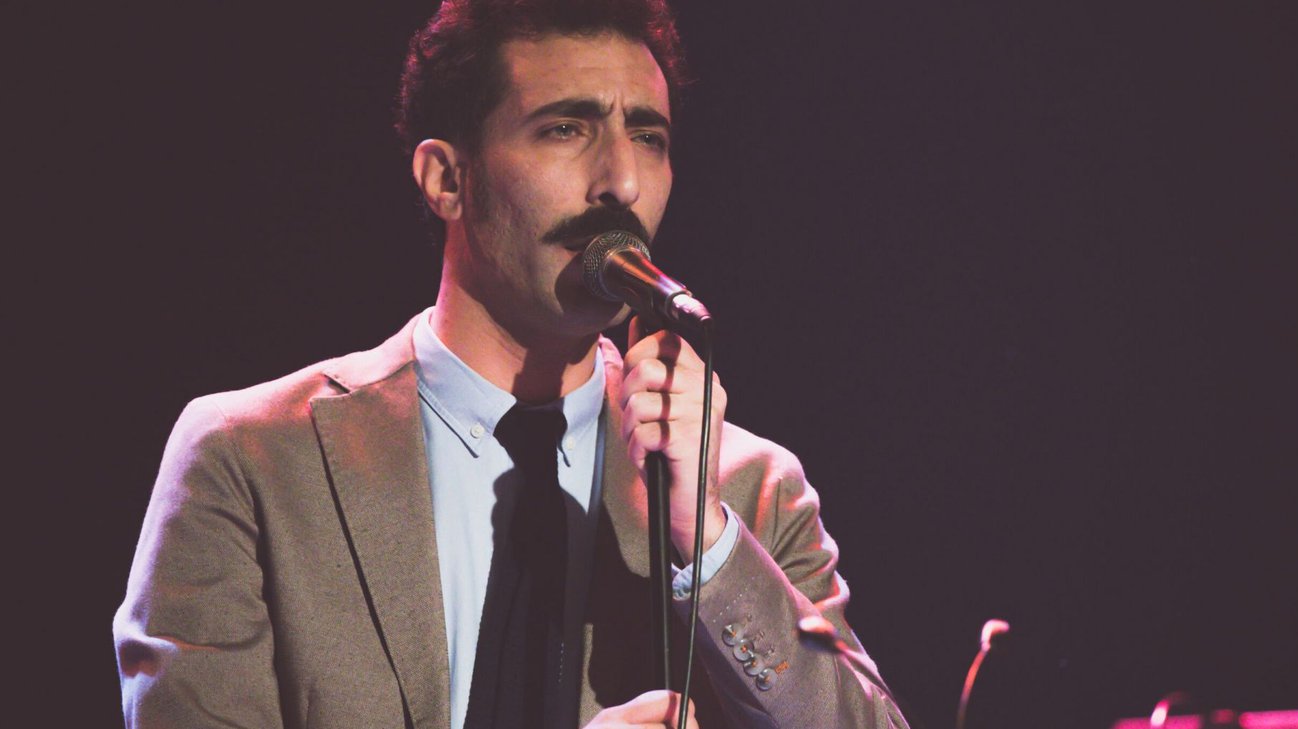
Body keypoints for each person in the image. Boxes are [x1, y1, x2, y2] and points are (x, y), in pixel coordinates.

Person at [113, 1, 911, 727]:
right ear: (446, 179)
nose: (621, 182)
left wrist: (700, 535)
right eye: (565, 129)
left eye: (648, 137)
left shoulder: (748, 489)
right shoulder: (252, 458)